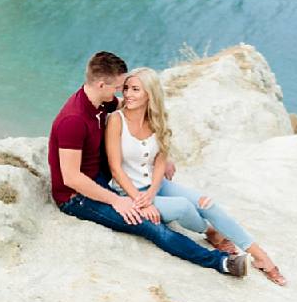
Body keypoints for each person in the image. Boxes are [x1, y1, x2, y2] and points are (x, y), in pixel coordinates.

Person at [50, 51, 246, 276]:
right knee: (149, 225)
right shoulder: (73, 120)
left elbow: (134, 109)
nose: (122, 92)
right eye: (119, 87)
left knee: (168, 204)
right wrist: (116, 201)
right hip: (77, 197)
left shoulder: (102, 102)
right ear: (102, 84)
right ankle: (221, 262)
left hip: (102, 179)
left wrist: (160, 154)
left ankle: (209, 231)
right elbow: (72, 178)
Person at [106, 68, 286, 285]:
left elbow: (160, 160)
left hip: (155, 185)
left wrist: (153, 190)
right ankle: (210, 231)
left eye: (136, 89)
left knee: (206, 203)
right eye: (126, 89)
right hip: (128, 191)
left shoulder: (157, 120)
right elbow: (115, 168)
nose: (128, 94)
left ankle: (261, 256)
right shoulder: (116, 120)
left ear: (150, 94)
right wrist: (139, 199)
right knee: (182, 206)